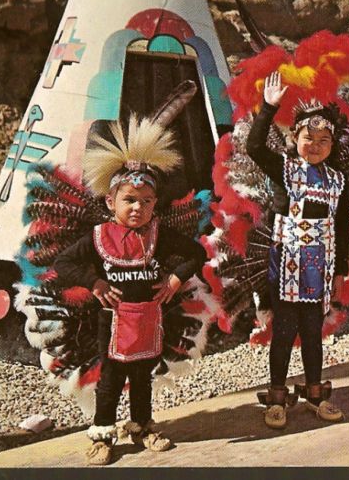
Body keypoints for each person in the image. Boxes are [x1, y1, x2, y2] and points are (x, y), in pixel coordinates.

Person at [54, 115, 207, 465]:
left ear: (156, 203)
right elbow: (64, 263)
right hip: (113, 323)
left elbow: (196, 254)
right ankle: (103, 433)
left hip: (150, 320)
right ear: (111, 202)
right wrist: (95, 283)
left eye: (147, 200)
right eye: (130, 200)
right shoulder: (97, 237)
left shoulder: (160, 234)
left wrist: (175, 279)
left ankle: (141, 426)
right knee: (111, 379)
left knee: (143, 375)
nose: (138, 207)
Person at [246, 72, 349, 429]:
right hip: (286, 264)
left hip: (319, 267)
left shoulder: (338, 181)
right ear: (295, 137)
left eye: (324, 140)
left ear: (333, 145)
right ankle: (276, 394)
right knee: (285, 329)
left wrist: (339, 273)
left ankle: (315, 393)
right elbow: (254, 148)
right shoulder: (285, 170)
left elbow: (342, 227)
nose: (316, 145)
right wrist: (268, 108)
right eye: (309, 137)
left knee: (311, 331)